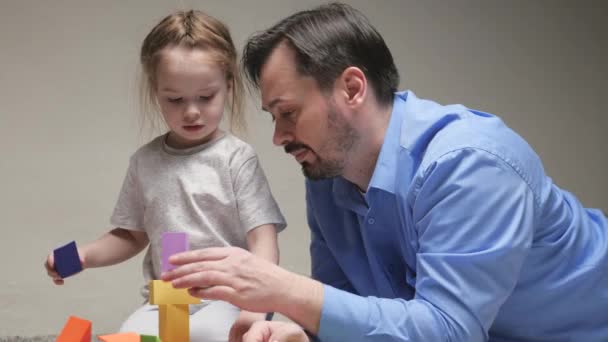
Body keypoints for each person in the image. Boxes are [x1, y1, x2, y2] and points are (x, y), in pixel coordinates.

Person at [162, 3, 608, 342]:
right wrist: (304, 332)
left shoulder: (470, 164)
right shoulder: (327, 173)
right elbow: (357, 306)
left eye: (289, 113)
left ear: (352, 88)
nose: (279, 137)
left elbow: (449, 331)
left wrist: (284, 291)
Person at [44, 10, 286, 342]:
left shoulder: (236, 158)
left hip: (230, 297)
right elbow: (130, 236)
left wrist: (256, 308)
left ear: (228, 86)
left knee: (209, 336)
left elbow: (263, 240)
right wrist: (80, 256)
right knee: (130, 335)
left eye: (205, 97)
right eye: (175, 99)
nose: (191, 111)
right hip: (167, 300)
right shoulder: (145, 162)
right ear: (156, 91)